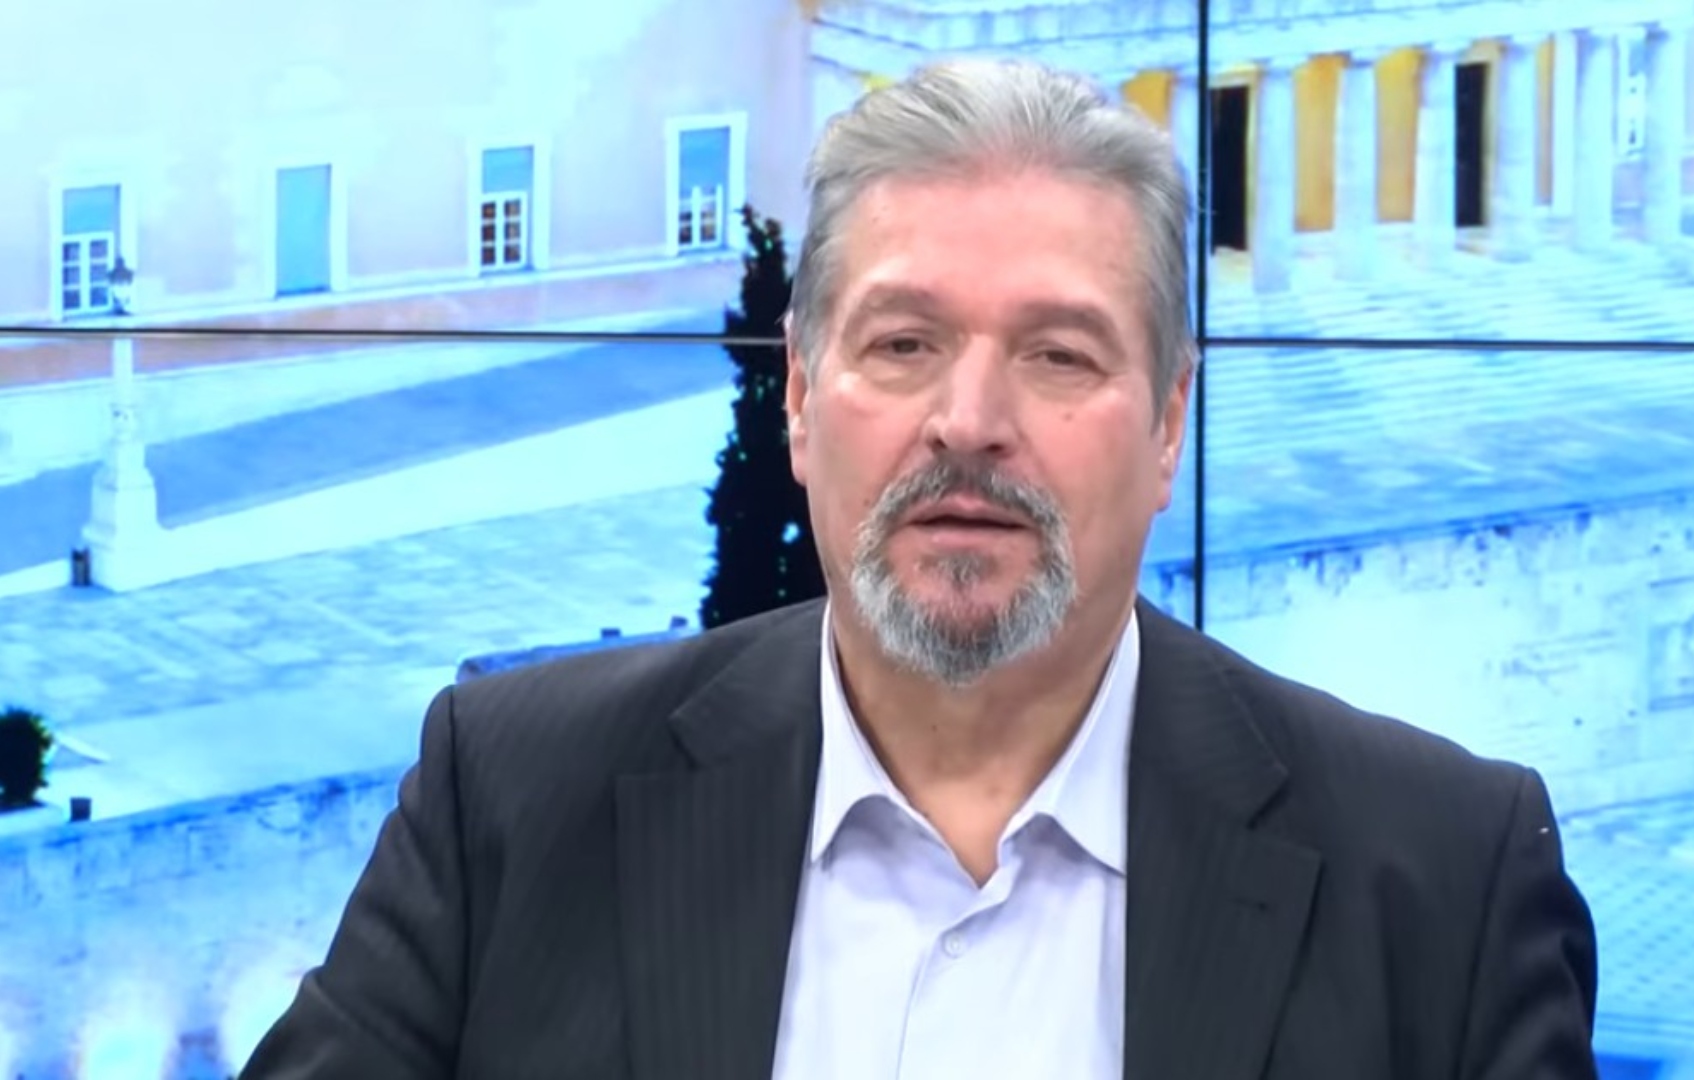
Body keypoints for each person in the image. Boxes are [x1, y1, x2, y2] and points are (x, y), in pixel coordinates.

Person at [241, 57, 1599, 1080]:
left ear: (1170, 423)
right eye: (903, 344)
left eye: (1059, 354)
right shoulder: (513, 801)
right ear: (797, 399)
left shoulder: (1442, 878)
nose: (969, 420)